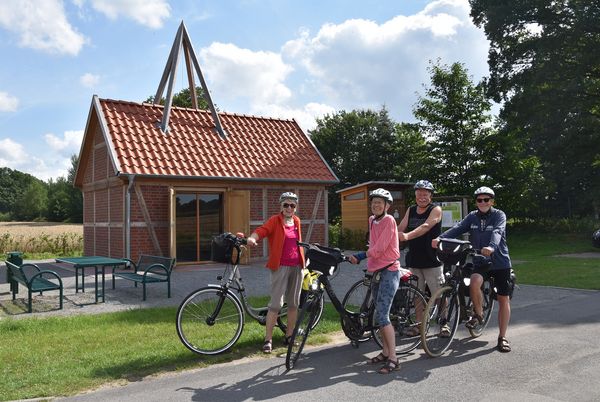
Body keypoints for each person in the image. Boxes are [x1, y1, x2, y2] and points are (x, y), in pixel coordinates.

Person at [432, 186, 513, 353]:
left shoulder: (499, 215)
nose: (483, 202)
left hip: (499, 262)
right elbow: (458, 228)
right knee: (474, 282)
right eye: (479, 200)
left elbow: (497, 232)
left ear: (492, 201)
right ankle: (478, 314)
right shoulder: (473, 217)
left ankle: (502, 337)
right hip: (481, 260)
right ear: (476, 202)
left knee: (503, 298)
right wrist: (441, 237)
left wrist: (491, 247)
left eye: (486, 199)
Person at [349, 188, 404, 374]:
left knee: (382, 315)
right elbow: (373, 245)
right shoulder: (372, 220)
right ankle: (385, 351)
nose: (376, 205)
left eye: (380, 203)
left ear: (387, 206)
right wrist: (365, 258)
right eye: (373, 202)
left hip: (389, 271)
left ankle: (394, 358)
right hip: (375, 270)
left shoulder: (389, 220)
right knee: (379, 313)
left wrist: (360, 255)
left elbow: (379, 248)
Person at [246, 192, 304, 354]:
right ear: (281, 206)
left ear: (295, 207)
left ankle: (289, 336)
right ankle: (268, 339)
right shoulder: (274, 220)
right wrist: (252, 238)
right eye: (286, 204)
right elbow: (262, 230)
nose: (289, 208)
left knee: (293, 303)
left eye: (292, 205)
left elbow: (297, 243)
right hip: (280, 267)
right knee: (276, 305)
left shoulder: (297, 221)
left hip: (297, 266)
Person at [397, 180, 446, 337]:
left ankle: (444, 323)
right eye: (419, 194)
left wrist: (406, 236)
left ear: (430, 196)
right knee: (416, 293)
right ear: (415, 195)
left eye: (425, 194)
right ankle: (420, 325)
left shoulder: (435, 209)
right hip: (415, 259)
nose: (422, 197)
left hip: (432, 259)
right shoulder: (411, 210)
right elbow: (400, 227)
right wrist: (390, 236)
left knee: (438, 293)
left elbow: (426, 226)